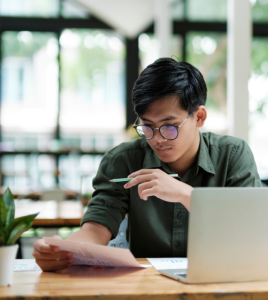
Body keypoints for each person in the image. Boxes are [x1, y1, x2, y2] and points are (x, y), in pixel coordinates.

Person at [33, 58, 261, 272]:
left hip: (223, 277)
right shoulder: (123, 160)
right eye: (148, 127)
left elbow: (253, 231)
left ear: (199, 117)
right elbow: (95, 230)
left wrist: (187, 195)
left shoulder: (233, 155)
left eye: (170, 126)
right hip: (147, 286)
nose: (157, 138)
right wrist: (61, 250)